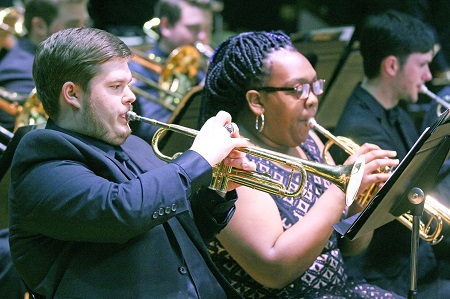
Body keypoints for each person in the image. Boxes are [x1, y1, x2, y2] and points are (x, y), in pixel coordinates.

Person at [8, 26, 256, 298]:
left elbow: (179, 231)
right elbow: (120, 210)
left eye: (129, 85)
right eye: (116, 87)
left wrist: (218, 189)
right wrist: (199, 160)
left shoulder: (136, 145)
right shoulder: (41, 158)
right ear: (72, 94)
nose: (131, 96)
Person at [199, 30, 402, 298]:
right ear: (257, 101)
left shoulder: (310, 143)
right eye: (299, 90)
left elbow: (349, 248)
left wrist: (363, 202)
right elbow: (275, 269)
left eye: (315, 86)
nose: (313, 98)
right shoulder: (231, 162)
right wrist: (343, 188)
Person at [332, 10, 450, 298]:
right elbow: (406, 206)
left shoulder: (393, 107)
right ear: (392, 65)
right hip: (394, 274)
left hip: (420, 259)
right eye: (422, 64)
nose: (428, 76)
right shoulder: (362, 130)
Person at [128, 0, 221, 144]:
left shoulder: (201, 65)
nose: (203, 37)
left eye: (208, 28)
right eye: (194, 28)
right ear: (166, 26)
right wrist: (202, 92)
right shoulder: (138, 68)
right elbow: (152, 131)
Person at [0, 0, 89, 132]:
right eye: (73, 26)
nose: (85, 35)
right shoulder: (19, 73)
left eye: (85, 24)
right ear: (40, 26)